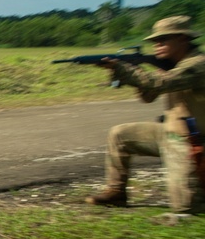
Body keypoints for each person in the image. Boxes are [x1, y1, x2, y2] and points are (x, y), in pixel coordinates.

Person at [85, 15, 205, 219]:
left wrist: (123, 69)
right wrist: (136, 73)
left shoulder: (198, 64)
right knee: (120, 134)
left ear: (183, 39)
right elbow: (149, 96)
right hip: (170, 134)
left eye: (163, 40)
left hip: (192, 140)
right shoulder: (172, 65)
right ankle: (116, 192)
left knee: (186, 209)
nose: (157, 45)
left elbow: (158, 84)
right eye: (155, 41)